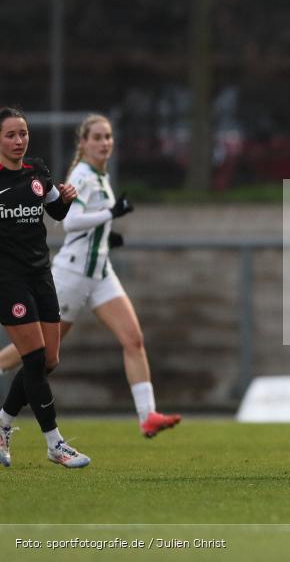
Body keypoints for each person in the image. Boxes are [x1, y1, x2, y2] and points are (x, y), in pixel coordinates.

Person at [0, 114, 181, 438]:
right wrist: (111, 214)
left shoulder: (99, 175)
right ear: (82, 143)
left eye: (108, 137)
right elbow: (70, 222)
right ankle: (7, 419)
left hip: (99, 270)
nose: (105, 143)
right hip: (74, 272)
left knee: (133, 339)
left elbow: (88, 224)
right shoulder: (82, 174)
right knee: (39, 358)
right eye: (97, 137)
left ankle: (147, 415)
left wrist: (106, 237)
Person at [0, 107, 90, 468]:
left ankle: (3, 423)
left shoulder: (37, 171)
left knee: (49, 360)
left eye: (23, 133)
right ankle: (56, 443)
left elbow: (57, 212)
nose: (19, 141)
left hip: (41, 275)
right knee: (34, 357)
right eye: (10, 135)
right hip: (8, 280)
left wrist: (65, 197)